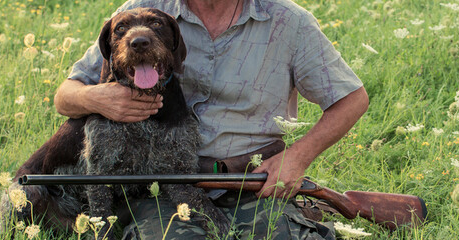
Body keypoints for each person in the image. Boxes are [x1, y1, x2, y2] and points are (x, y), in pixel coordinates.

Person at [54, 0, 368, 239]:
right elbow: (65, 95)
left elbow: (351, 99)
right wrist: (98, 98)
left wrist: (298, 157)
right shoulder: (142, 11)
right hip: (165, 186)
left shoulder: (289, 21)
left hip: (254, 182)